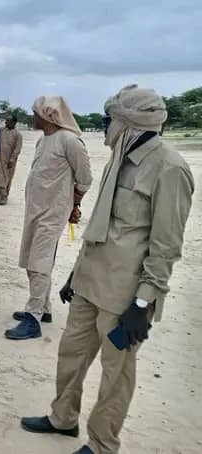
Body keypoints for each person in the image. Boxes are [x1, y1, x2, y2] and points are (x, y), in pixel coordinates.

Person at [21, 85, 194, 454]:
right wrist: (75, 274)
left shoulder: (169, 168)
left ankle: (102, 444)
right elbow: (101, 225)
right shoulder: (118, 158)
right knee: (71, 354)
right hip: (88, 283)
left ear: (129, 124)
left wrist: (143, 304)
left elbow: (165, 248)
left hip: (124, 297)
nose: (105, 127)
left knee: (116, 375)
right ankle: (63, 418)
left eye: (109, 120)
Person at [6, 95, 92, 340]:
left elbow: (85, 179)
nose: (32, 117)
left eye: (35, 113)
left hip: (53, 213)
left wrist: (75, 204)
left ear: (48, 116)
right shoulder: (43, 140)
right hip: (34, 210)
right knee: (31, 259)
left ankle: (32, 319)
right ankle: (44, 309)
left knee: (39, 262)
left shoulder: (70, 141)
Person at [0, 116, 24, 205]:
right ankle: (3, 196)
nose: (6, 122)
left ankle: (5, 196)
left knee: (8, 178)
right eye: (6, 120)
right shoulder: (2, 131)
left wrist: (12, 159)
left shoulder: (18, 134)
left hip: (10, 161)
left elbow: (18, 148)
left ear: (14, 122)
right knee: (0, 177)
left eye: (8, 121)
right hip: (0, 158)